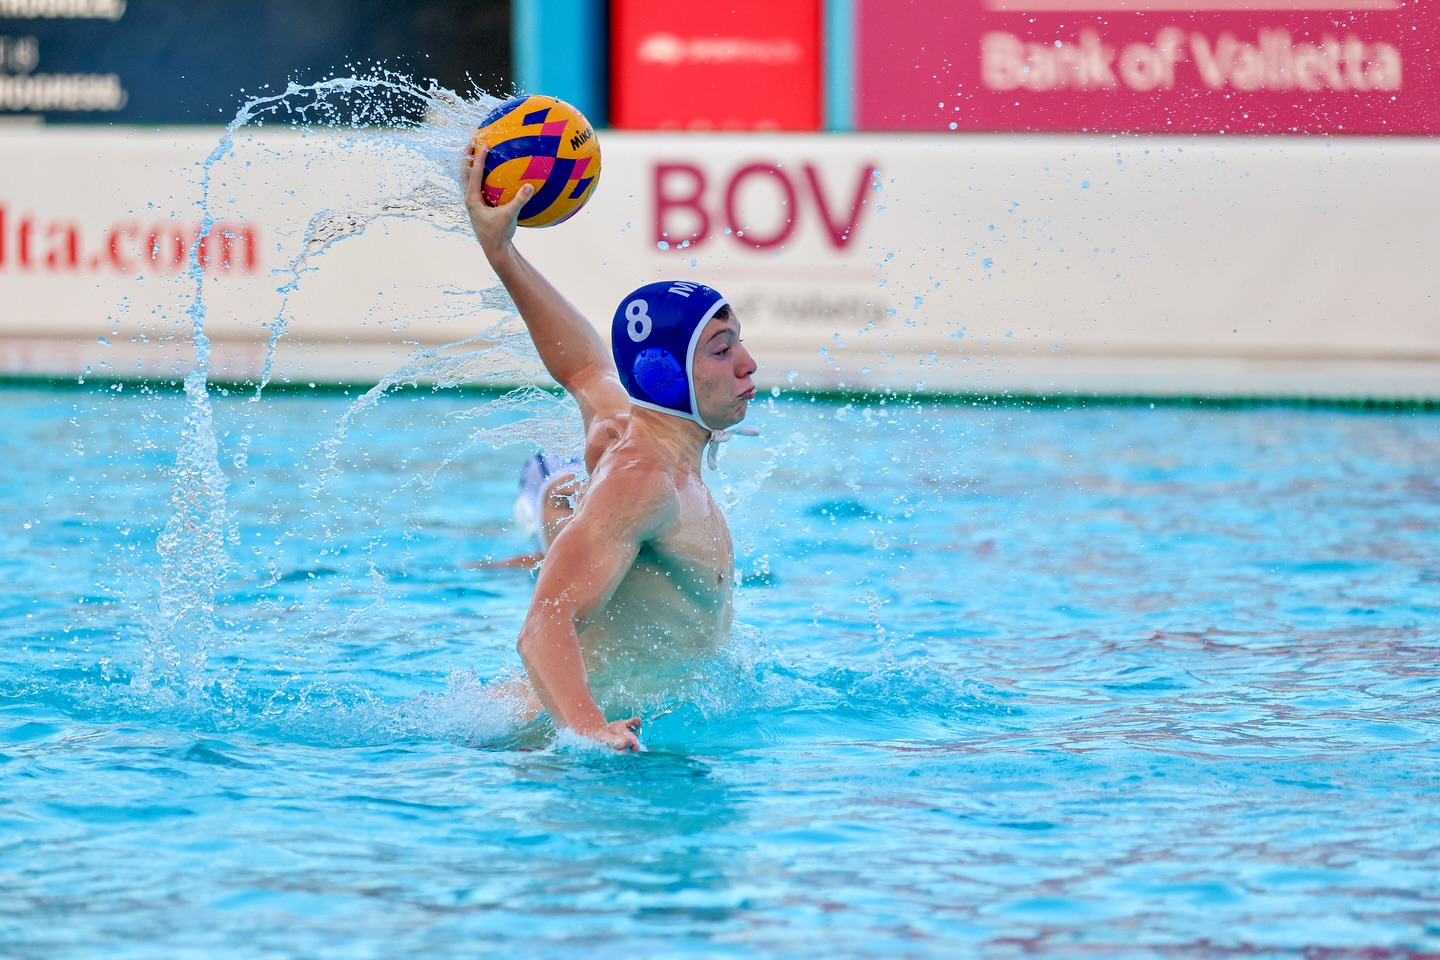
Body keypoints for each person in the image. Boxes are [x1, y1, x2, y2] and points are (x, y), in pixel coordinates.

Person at [463, 143, 758, 753]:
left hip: (625, 717)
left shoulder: (627, 422)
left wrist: (502, 253)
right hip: (569, 740)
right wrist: (587, 730)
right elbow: (544, 626)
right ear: (670, 375)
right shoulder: (643, 480)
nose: (749, 365)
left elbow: (583, 366)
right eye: (723, 350)